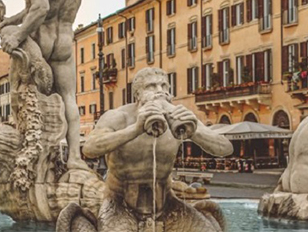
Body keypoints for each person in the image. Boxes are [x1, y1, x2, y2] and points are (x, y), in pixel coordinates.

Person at [82, 68, 232, 231]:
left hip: (167, 204)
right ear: (137, 94)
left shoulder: (179, 117)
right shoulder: (119, 117)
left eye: (164, 86)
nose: (160, 91)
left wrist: (194, 132)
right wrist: (136, 129)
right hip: (119, 202)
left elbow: (225, 148)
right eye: (151, 86)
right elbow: (90, 148)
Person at [0, 0, 87, 169]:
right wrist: (8, 20)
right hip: (65, 40)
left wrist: (15, 34)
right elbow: (40, 8)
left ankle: (28, 146)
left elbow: (41, 8)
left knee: (20, 89)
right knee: (69, 97)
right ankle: (75, 158)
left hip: (42, 39)